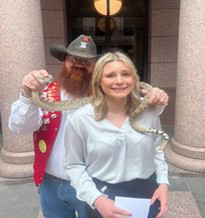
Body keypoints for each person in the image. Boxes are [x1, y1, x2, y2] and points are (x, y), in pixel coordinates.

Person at [8, 35, 169, 218]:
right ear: (64, 61)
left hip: (93, 183)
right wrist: (28, 95)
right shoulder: (44, 95)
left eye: (86, 61)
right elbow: (19, 127)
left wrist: (157, 97)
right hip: (51, 183)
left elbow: (141, 112)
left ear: (95, 68)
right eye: (74, 59)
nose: (79, 64)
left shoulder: (107, 93)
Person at [65, 51, 169, 218]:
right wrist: (97, 199)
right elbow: (73, 165)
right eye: (110, 75)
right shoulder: (80, 119)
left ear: (134, 78)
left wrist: (163, 183)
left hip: (146, 191)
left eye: (125, 74)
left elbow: (156, 150)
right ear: (99, 80)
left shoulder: (149, 112)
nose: (119, 81)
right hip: (102, 195)